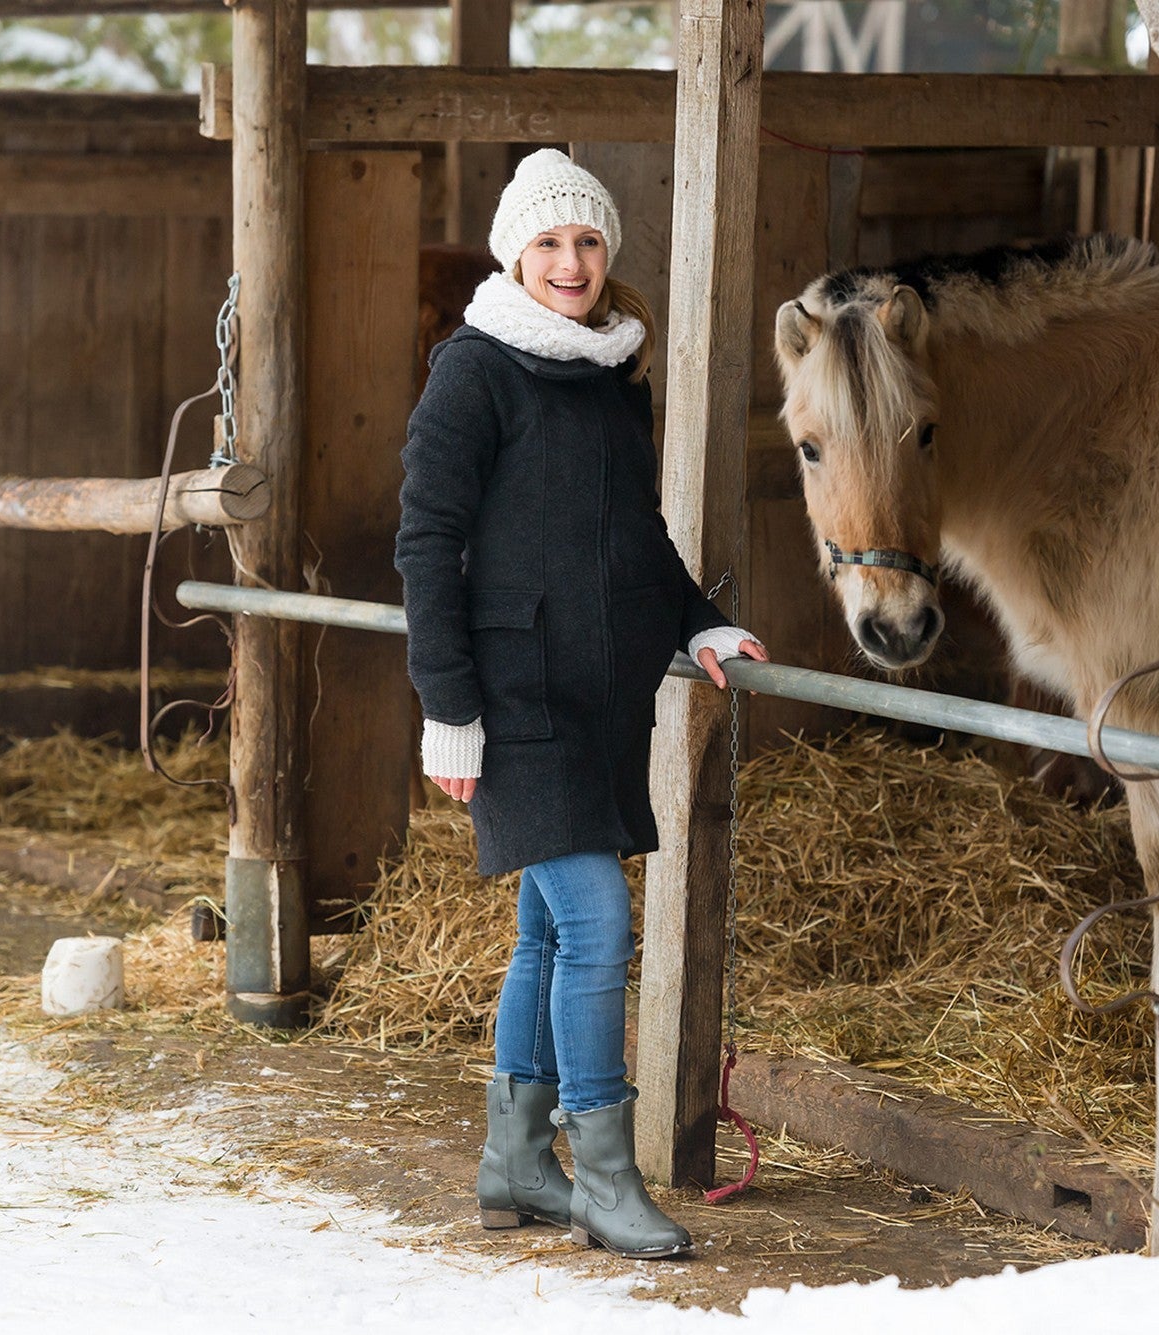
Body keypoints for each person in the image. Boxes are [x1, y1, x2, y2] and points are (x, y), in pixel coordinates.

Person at [396, 149, 768, 1261]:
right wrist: (447, 707)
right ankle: (605, 1177)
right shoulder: (471, 372)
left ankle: (515, 1163)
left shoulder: (611, 372)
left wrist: (697, 621)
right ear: (516, 254)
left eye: (588, 240)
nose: (571, 261)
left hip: (601, 699)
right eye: (550, 242)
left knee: (550, 932)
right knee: (599, 922)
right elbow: (425, 544)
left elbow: (635, 536)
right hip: (513, 700)